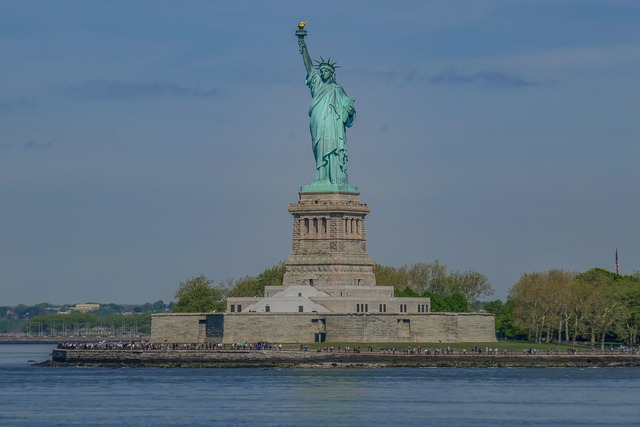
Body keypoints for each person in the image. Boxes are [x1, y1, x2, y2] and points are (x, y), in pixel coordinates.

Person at [298, 36, 356, 186]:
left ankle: (334, 179)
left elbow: (347, 114)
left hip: (332, 125)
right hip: (318, 124)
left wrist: (349, 110)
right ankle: (321, 178)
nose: (322, 72)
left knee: (332, 151)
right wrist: (303, 46)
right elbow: (309, 67)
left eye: (325, 71)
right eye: (321, 70)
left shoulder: (337, 90)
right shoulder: (317, 85)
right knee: (319, 150)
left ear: (332, 73)